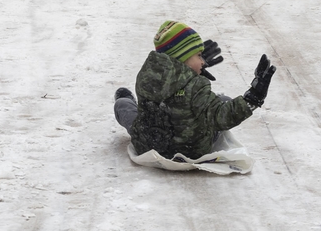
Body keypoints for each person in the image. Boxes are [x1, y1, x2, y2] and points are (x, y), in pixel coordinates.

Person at [113, 21, 277, 160]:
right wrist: (253, 98)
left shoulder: (146, 77)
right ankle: (216, 101)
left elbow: (171, 84)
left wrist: (188, 71)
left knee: (123, 105)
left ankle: (126, 100)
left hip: (149, 145)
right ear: (183, 57)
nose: (203, 62)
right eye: (199, 56)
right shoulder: (196, 86)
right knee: (224, 101)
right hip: (190, 150)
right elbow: (221, 118)